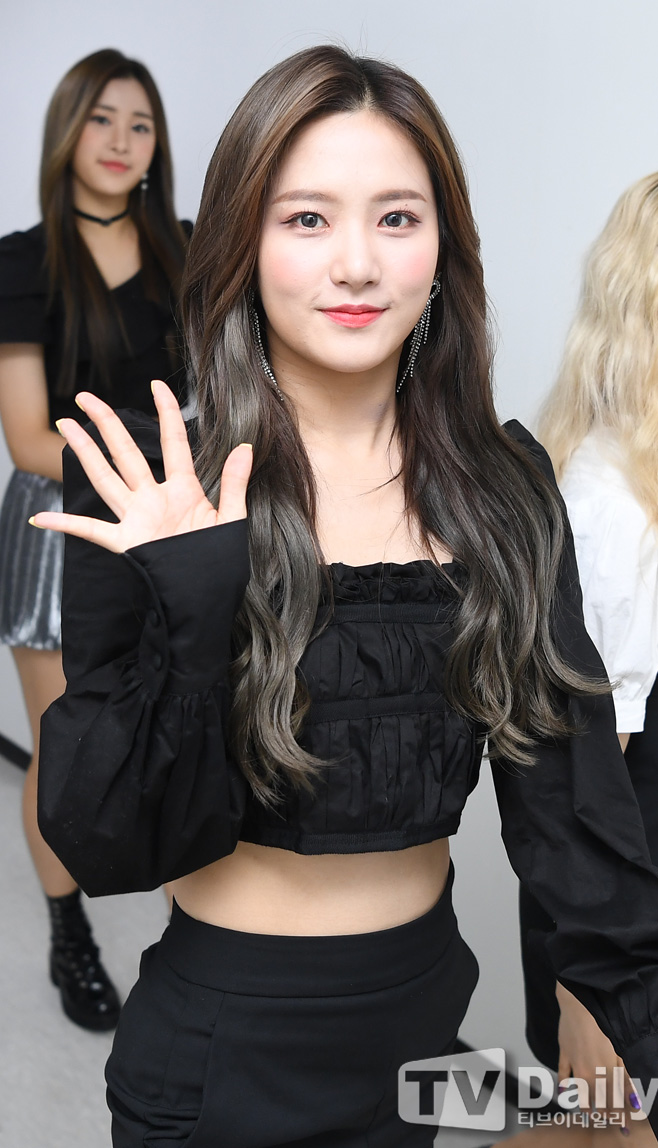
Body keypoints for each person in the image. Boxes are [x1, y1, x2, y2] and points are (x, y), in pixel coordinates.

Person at [33, 46, 658, 1147]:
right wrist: (195, 602)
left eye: (397, 218)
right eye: (308, 219)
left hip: (424, 1019)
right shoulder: (157, 480)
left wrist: (623, 1020)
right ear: (243, 241)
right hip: (223, 1048)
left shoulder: (503, 483)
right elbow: (107, 841)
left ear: (442, 248)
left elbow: (565, 796)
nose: (358, 263)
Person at [0, 48, 190, 1032]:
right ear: (67, 131)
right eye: (102, 119)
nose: (121, 141)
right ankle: (67, 931)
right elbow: (29, 440)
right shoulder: (22, 260)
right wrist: (155, 467)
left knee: (176, 734)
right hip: (63, 527)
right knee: (64, 751)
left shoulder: (187, 250)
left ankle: (194, 938)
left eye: (141, 124)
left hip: (169, 522)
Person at [519, 174, 658, 1140]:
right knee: (610, 1123)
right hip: (625, 918)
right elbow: (585, 783)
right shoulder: (611, 505)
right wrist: (584, 992)